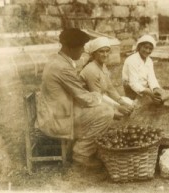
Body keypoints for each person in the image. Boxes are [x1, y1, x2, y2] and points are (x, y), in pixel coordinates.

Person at [36, 28, 114, 168]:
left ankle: (89, 148)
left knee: (101, 109)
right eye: (81, 47)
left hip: (55, 111)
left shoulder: (58, 60)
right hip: (57, 118)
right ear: (68, 47)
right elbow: (83, 97)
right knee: (106, 113)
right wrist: (101, 99)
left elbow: (77, 92)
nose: (83, 51)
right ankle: (82, 153)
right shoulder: (62, 67)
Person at [80, 37, 133, 118]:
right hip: (89, 104)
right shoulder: (91, 70)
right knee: (120, 111)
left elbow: (110, 88)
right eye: (101, 51)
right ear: (94, 53)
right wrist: (117, 107)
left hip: (101, 98)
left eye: (107, 51)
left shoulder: (103, 66)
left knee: (128, 102)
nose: (105, 54)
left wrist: (121, 102)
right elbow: (97, 97)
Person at [122, 34, 169, 106]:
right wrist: (148, 92)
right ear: (139, 46)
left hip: (147, 90)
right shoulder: (132, 60)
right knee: (150, 102)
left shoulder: (149, 61)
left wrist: (156, 89)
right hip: (133, 91)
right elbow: (133, 83)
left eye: (150, 49)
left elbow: (152, 78)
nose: (147, 51)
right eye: (145, 47)